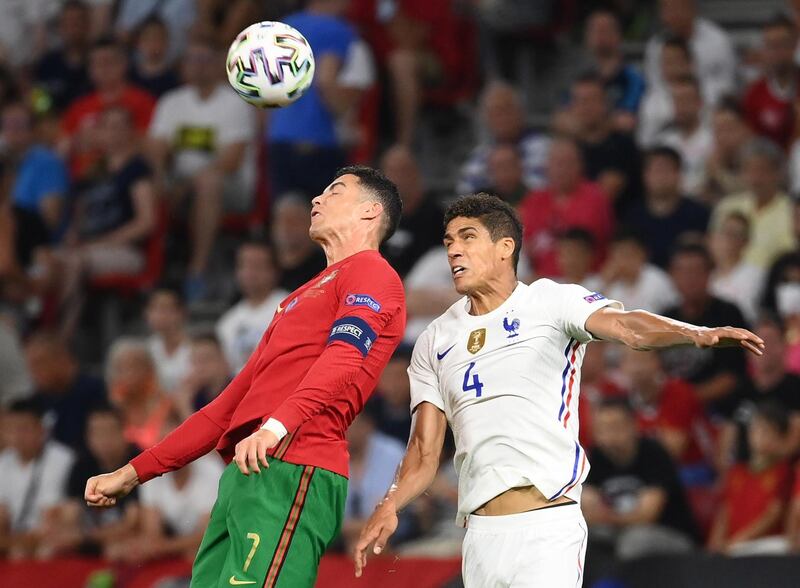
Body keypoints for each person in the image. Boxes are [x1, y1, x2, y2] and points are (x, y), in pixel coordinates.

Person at [353, 193, 763, 586]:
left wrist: (696, 334)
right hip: (479, 536)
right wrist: (391, 502)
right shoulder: (434, 340)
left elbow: (626, 327)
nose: (453, 251)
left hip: (546, 527)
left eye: (467, 238)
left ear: (504, 247)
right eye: (448, 241)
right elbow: (424, 451)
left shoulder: (550, 302)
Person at [85, 166, 406, 588]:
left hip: (295, 462)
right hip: (247, 471)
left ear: (370, 212)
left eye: (335, 191)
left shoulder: (372, 272)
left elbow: (344, 359)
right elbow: (225, 409)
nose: (317, 199)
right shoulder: (295, 299)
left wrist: (273, 428)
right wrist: (132, 473)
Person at [146, 33, 256, 299]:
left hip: (231, 188)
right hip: (180, 185)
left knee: (208, 184)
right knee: (143, 183)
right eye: (192, 59)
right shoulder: (171, 102)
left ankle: (198, 269)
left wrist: (186, 185)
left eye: (205, 60)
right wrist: (160, 177)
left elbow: (231, 160)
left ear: (219, 63)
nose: (198, 65)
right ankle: (151, 271)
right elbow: (156, 147)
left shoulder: (235, 102)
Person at [582, 399, 699, 581]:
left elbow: (646, 515)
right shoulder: (595, 458)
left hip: (670, 534)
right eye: (601, 428)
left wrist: (604, 515)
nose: (608, 435)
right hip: (619, 532)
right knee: (581, 537)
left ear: (632, 425)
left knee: (633, 541)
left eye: (615, 426)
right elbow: (587, 510)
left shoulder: (653, 453)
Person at [268, 0, 368, 196]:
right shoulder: (337, 29)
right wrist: (346, 120)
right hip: (317, 141)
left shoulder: (283, 26)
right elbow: (325, 80)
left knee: (285, 215)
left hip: (279, 137)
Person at [41, 405, 140, 558]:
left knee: (118, 550)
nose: (103, 440)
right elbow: (71, 509)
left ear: (124, 432)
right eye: (96, 433)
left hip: (119, 538)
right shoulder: (82, 464)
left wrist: (83, 538)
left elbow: (132, 523)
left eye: (109, 432)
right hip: (89, 536)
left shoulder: (138, 463)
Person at [661, 243, 750, 408]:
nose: (689, 279)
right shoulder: (664, 317)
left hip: (720, 410)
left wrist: (686, 399)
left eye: (695, 272)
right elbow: (655, 369)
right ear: (672, 276)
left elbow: (732, 376)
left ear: (709, 274)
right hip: (674, 409)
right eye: (683, 272)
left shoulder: (728, 314)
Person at [60, 38, 155, 180]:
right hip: (83, 182)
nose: (103, 69)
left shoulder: (142, 101)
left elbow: (149, 143)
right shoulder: (79, 106)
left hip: (125, 178)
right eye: (97, 64)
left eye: (108, 62)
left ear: (124, 64)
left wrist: (98, 138)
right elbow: (64, 145)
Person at [519, 137, 615, 278]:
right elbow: (526, 248)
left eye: (568, 163)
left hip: (587, 282)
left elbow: (606, 244)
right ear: (547, 166)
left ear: (581, 166)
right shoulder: (534, 200)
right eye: (557, 163)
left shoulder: (595, 198)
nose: (562, 169)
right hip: (543, 283)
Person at [709, 402, 793, 555]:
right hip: (732, 546)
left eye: (766, 431)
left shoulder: (784, 472)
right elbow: (725, 511)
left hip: (766, 546)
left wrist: (738, 541)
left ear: (781, 438)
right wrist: (715, 543)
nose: (758, 436)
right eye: (755, 429)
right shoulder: (736, 472)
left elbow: (773, 514)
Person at [0, 398, 76, 559]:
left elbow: (50, 519)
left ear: (41, 429)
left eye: (23, 429)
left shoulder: (61, 459)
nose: (16, 436)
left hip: (49, 537)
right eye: (10, 429)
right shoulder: (3, 462)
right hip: (15, 540)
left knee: (42, 551)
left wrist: (10, 542)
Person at [620, 348, 713, 473]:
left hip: (693, 467)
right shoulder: (618, 397)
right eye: (631, 360)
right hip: (645, 471)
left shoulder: (679, 392)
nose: (637, 368)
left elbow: (673, 450)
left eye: (643, 360)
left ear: (658, 363)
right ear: (622, 366)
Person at [712, 138, 797, 270]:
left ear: (778, 173)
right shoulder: (727, 206)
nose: (756, 178)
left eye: (762, 170)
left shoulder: (792, 210)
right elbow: (714, 248)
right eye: (749, 170)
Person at [2, 102, 69, 268]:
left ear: (33, 129)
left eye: (19, 125)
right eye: (7, 124)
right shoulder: (5, 161)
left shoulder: (46, 162)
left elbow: (50, 220)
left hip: (31, 241)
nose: (13, 130)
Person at [457, 81, 550, 196]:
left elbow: (544, 191)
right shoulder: (478, 157)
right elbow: (465, 196)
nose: (501, 117)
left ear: (520, 111)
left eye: (506, 109)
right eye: (495, 112)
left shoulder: (546, 149)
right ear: (486, 119)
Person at [623, 146, 710, 268]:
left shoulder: (699, 213)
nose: (661, 177)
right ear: (645, 175)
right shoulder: (632, 215)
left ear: (679, 174)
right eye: (656, 170)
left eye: (666, 170)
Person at [568, 73, 642, 213]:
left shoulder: (623, 145)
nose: (584, 107)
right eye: (579, 101)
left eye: (590, 100)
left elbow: (602, 197)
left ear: (605, 103)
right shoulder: (570, 146)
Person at [25, 330, 106, 452]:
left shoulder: (95, 391)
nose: (34, 373)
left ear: (62, 359)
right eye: (31, 366)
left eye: (39, 363)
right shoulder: (37, 401)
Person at [643, 0, 736, 108]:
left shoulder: (718, 41)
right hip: (669, 107)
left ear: (691, 7)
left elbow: (727, 87)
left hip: (712, 108)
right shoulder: (656, 45)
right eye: (667, 8)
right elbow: (655, 86)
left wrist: (693, 100)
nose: (672, 14)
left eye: (677, 7)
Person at [341, 409, 407, 554]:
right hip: (342, 537)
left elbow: (386, 515)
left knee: (369, 547)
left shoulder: (392, 453)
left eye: (350, 425)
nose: (344, 431)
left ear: (367, 425)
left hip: (392, 532)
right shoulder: (331, 455)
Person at [216, 241, 288, 374]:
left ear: (274, 271)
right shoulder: (228, 322)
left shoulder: (290, 306)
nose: (250, 273)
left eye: (257, 266)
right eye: (244, 266)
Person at [379, 145, 445, 277]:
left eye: (403, 171)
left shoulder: (437, 217)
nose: (397, 178)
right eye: (392, 171)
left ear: (417, 173)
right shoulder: (376, 218)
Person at [582, 9, 646, 131]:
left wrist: (588, 122)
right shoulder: (581, 76)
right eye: (594, 30)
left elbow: (626, 121)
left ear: (618, 35)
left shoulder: (633, 77)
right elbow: (561, 118)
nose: (599, 36)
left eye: (604, 30)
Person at [105, 337, 173, 452]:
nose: (128, 374)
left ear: (149, 369)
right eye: (120, 368)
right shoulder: (109, 410)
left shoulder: (168, 405)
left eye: (134, 366)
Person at [743, 15, 800, 150]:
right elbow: (753, 145)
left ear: (794, 45)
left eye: (782, 44)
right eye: (770, 45)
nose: (776, 51)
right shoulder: (753, 96)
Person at [653, 75, 713, 198]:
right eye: (676, 101)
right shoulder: (664, 142)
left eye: (685, 100)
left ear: (699, 103)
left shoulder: (713, 139)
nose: (680, 106)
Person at [33, 0, 92, 113]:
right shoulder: (47, 64)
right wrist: (45, 115)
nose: (72, 28)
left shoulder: (100, 60)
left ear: (87, 25)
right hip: (55, 124)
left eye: (77, 22)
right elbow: (39, 103)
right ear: (60, 28)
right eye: (66, 23)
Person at [601, 230, 679, 314]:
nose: (624, 261)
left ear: (642, 254)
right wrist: (606, 284)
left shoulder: (657, 278)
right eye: (619, 254)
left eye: (628, 254)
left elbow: (674, 310)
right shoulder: (605, 281)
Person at [709, 212, 765, 323]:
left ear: (746, 241)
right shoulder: (708, 276)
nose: (728, 239)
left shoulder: (756, 275)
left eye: (734, 234)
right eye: (725, 232)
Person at [271, 194, 328, 292]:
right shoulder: (264, 266)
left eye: (295, 221)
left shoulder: (326, 268)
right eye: (281, 220)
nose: (287, 227)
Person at [173, 334, 232, 421]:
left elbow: (207, 432)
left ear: (223, 359)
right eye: (195, 361)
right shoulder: (196, 394)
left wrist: (184, 407)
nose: (200, 367)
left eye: (205, 359)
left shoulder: (236, 391)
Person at [704, 99, 753, 204]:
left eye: (728, 129)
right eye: (718, 130)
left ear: (745, 129)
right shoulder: (713, 157)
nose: (722, 137)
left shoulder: (758, 155)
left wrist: (719, 173)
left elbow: (750, 194)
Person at [145, 289, 191, 394]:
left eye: (164, 308)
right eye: (153, 308)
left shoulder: (194, 348)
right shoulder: (147, 350)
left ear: (181, 313)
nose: (158, 315)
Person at [129, 16, 180, 99]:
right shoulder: (128, 77)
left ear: (167, 42)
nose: (153, 44)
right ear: (138, 43)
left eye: (158, 38)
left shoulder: (176, 78)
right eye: (148, 39)